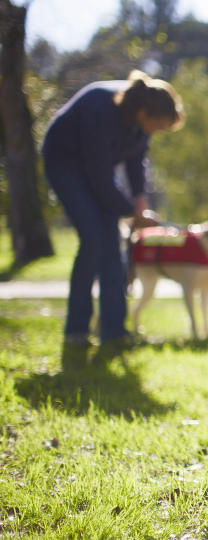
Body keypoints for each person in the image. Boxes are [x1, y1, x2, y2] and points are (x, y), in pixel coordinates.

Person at [42, 69, 184, 349]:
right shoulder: (100, 109)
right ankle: (76, 331)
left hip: (97, 172)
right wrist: (131, 211)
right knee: (94, 239)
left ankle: (114, 331)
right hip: (65, 166)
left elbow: (135, 162)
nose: (158, 132)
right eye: (159, 126)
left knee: (111, 244)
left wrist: (140, 201)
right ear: (144, 114)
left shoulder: (140, 123)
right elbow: (98, 176)